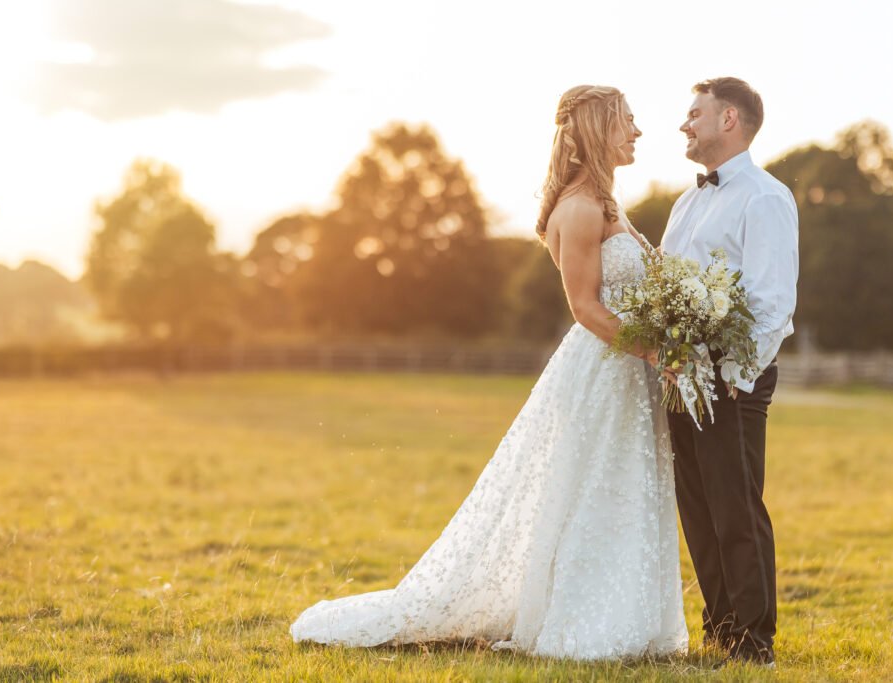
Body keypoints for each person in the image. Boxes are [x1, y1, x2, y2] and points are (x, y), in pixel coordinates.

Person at [290, 85, 689, 660]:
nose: (638, 131)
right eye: (628, 121)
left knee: (628, 489)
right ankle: (585, 624)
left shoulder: (607, 203)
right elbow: (585, 306)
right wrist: (656, 352)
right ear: (601, 128)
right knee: (598, 490)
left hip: (626, 371)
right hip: (606, 370)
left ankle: (630, 619)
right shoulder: (578, 207)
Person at [660, 77, 799, 668]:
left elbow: (772, 302)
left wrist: (734, 376)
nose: (684, 125)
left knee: (735, 505)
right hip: (679, 374)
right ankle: (719, 631)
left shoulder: (765, 198)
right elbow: (666, 289)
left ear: (729, 121)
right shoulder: (686, 202)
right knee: (698, 508)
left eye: (695, 114)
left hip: (731, 377)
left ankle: (753, 643)